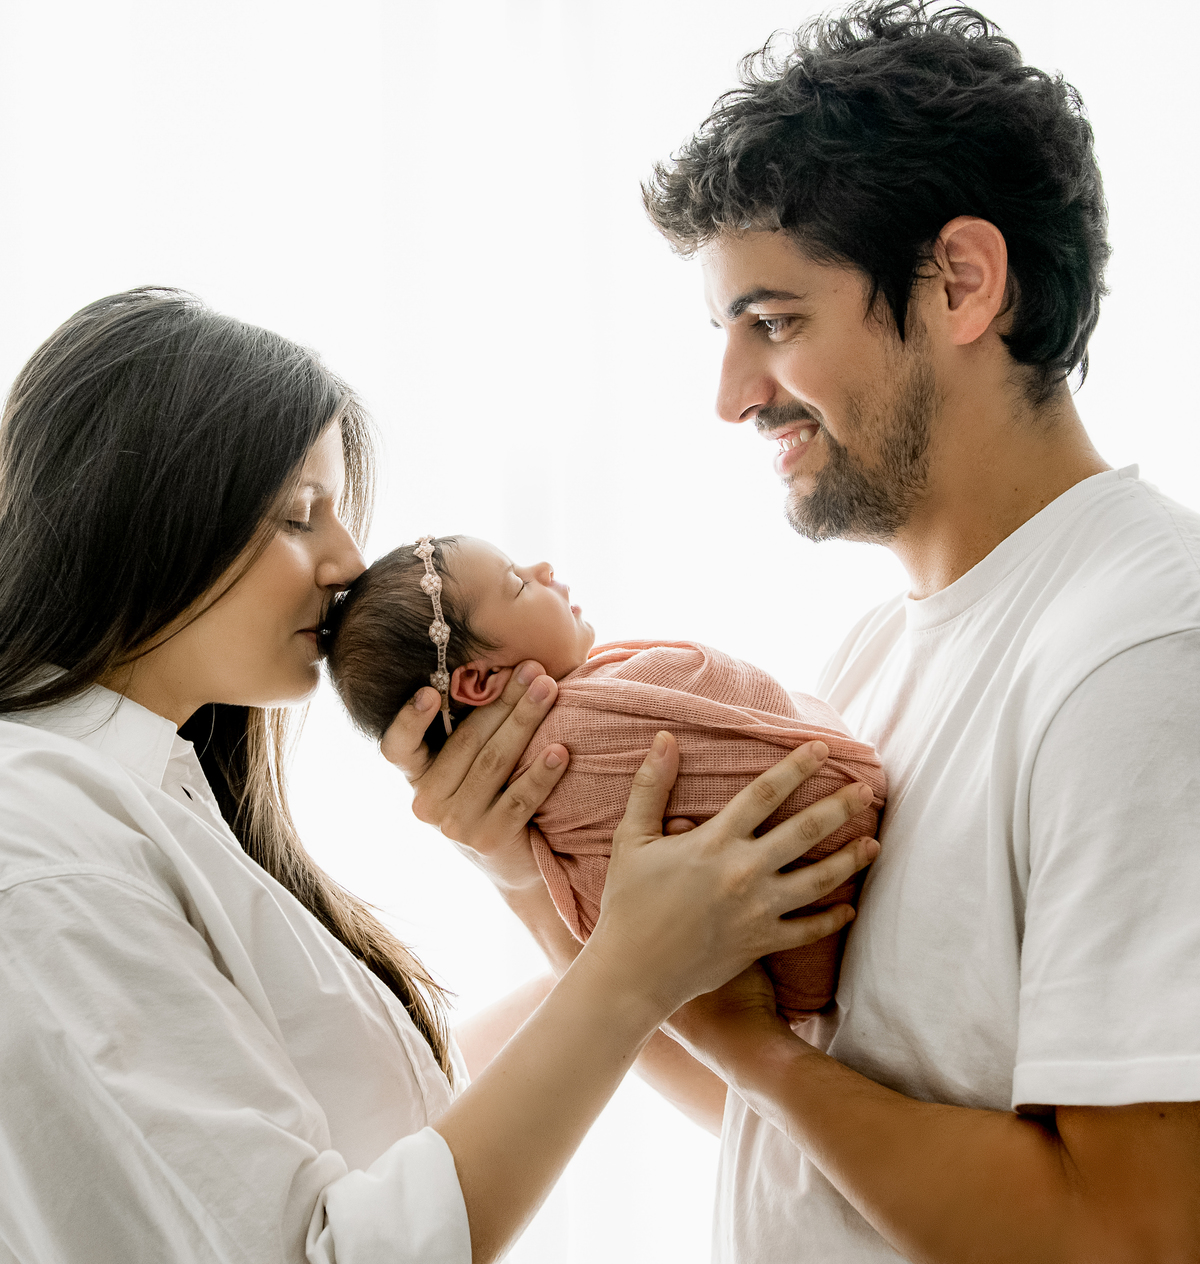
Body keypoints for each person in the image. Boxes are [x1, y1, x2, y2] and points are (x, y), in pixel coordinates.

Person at [386, 3, 1200, 1261]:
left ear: (961, 283)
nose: (729, 395)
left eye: (772, 321)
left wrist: (760, 1052)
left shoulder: (1141, 652)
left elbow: (1133, 1233)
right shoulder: (877, 660)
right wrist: (529, 877)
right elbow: (798, 1141)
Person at [0, 287, 882, 1264]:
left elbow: (378, 1136)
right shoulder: (42, 846)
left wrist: (533, 883)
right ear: (149, 512)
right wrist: (629, 967)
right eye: (301, 514)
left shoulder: (157, 800)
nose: (344, 562)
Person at [320, 533, 886, 1018]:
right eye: (517, 584)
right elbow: (748, 705)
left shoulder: (542, 786)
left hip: (794, 976)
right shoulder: (573, 742)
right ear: (478, 683)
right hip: (837, 839)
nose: (541, 569)